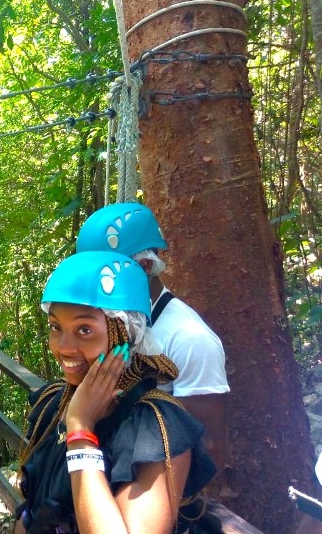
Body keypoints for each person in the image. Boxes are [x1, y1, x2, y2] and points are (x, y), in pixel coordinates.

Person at [15, 251, 216, 533]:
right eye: (55, 327)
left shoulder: (156, 427)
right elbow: (31, 517)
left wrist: (81, 431)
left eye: (84, 329)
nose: (64, 346)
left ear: (125, 333)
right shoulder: (54, 403)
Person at [75, 202, 230, 475]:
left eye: (108, 269)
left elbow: (210, 448)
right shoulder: (111, 324)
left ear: (145, 265)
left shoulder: (189, 340)